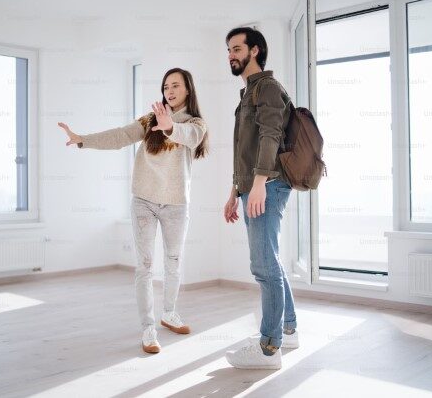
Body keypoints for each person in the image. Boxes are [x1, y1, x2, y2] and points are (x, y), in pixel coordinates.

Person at [58, 68, 208, 354]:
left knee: (174, 261)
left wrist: (169, 126)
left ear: (188, 89)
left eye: (176, 85)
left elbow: (190, 136)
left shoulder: (196, 123)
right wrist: (82, 139)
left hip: (176, 203)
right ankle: (148, 327)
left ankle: (169, 313)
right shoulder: (149, 120)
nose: (170, 91)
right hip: (144, 201)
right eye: (166, 86)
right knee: (146, 266)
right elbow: (120, 136)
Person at [223, 27, 299, 370]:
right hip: (253, 184)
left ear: (255, 50)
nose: (231, 55)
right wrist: (234, 191)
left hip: (267, 185)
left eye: (237, 48)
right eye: (229, 50)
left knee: (263, 266)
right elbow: (245, 149)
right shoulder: (248, 92)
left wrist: (258, 185)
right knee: (271, 261)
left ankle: (270, 348)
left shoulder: (266, 87)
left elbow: (271, 136)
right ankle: (289, 328)